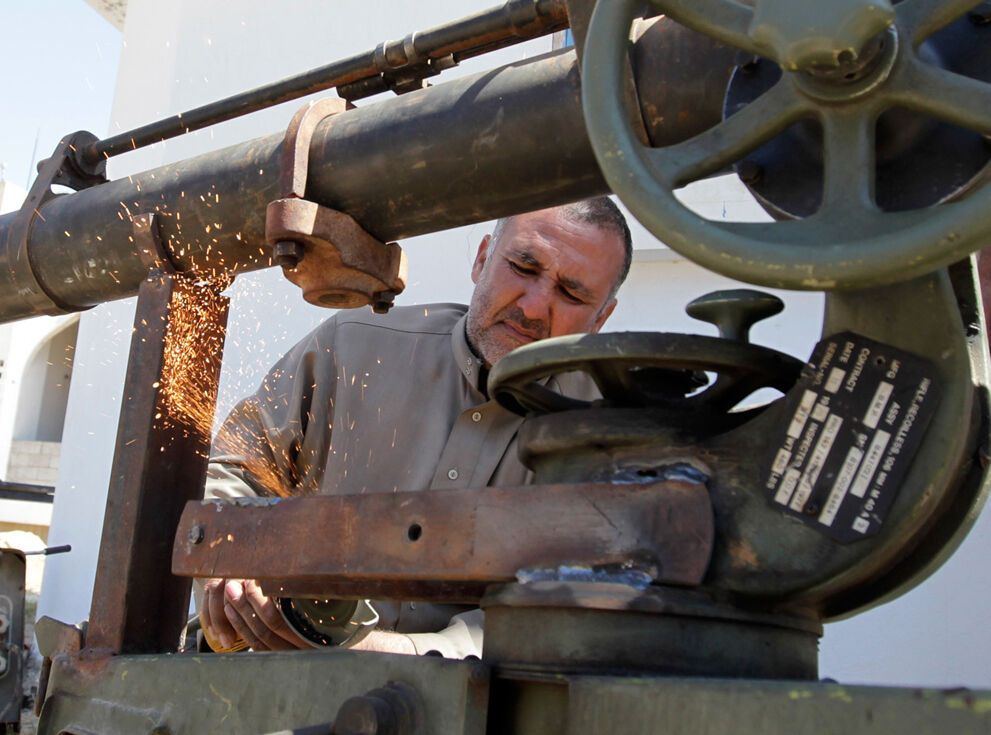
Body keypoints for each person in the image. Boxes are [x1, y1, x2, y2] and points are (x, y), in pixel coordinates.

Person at [199, 197, 633, 656]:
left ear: (600, 318)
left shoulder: (610, 435)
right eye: (524, 267)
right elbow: (233, 470)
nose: (533, 307)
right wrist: (229, 569)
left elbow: (574, 606)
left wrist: (406, 654)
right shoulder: (352, 348)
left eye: (572, 293)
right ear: (482, 258)